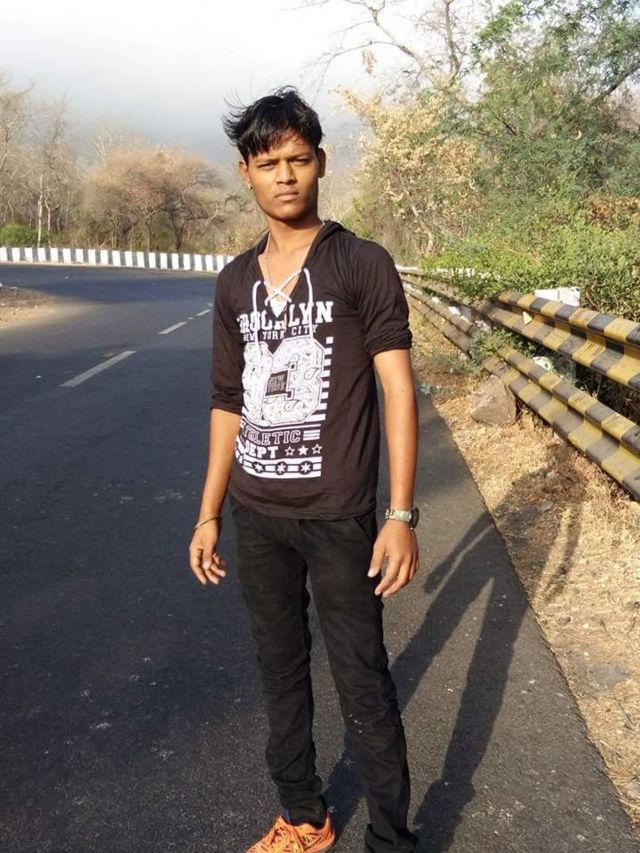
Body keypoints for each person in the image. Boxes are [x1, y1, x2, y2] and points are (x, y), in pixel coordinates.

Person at [189, 87, 419, 853]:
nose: (284, 175)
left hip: (339, 514)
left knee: (362, 680)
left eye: (297, 159)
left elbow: (396, 388)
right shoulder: (234, 282)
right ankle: (304, 817)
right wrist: (208, 511)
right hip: (258, 515)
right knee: (280, 671)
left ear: (320, 162)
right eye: (267, 163)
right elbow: (228, 403)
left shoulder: (360, 263)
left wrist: (400, 514)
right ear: (245, 173)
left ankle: (391, 839)